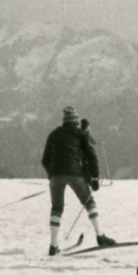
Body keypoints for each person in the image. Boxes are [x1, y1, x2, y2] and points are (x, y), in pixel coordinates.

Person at [40, 107, 115, 255]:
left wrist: (52, 175)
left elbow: (45, 160)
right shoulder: (80, 134)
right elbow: (91, 155)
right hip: (74, 173)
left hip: (55, 175)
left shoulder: (53, 134)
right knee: (89, 202)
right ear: (76, 122)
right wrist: (95, 177)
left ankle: (53, 246)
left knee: (56, 208)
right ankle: (100, 236)